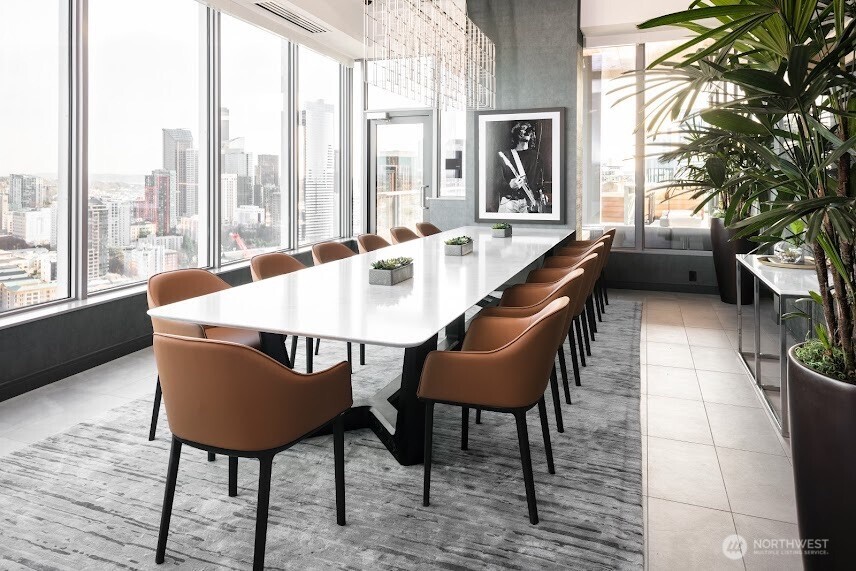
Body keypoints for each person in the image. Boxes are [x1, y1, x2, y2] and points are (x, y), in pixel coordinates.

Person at [496, 121, 549, 213]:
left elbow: (540, 180)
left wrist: (541, 193)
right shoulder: (506, 155)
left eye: (529, 130)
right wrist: (509, 185)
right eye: (523, 129)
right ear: (517, 134)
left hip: (529, 203)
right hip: (509, 203)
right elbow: (496, 181)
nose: (527, 131)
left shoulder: (536, 156)